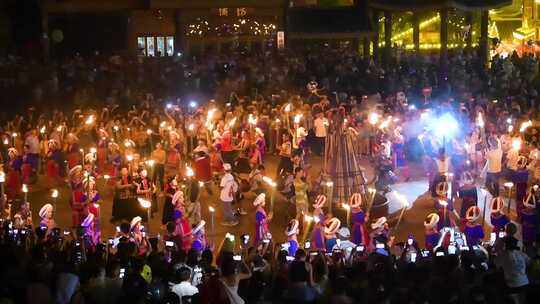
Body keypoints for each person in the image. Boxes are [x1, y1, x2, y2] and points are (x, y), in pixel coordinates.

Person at [495, 237, 530, 301]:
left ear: (505, 245)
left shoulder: (504, 255)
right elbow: (529, 262)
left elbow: (496, 265)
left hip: (512, 284)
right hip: (525, 282)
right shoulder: (521, 253)